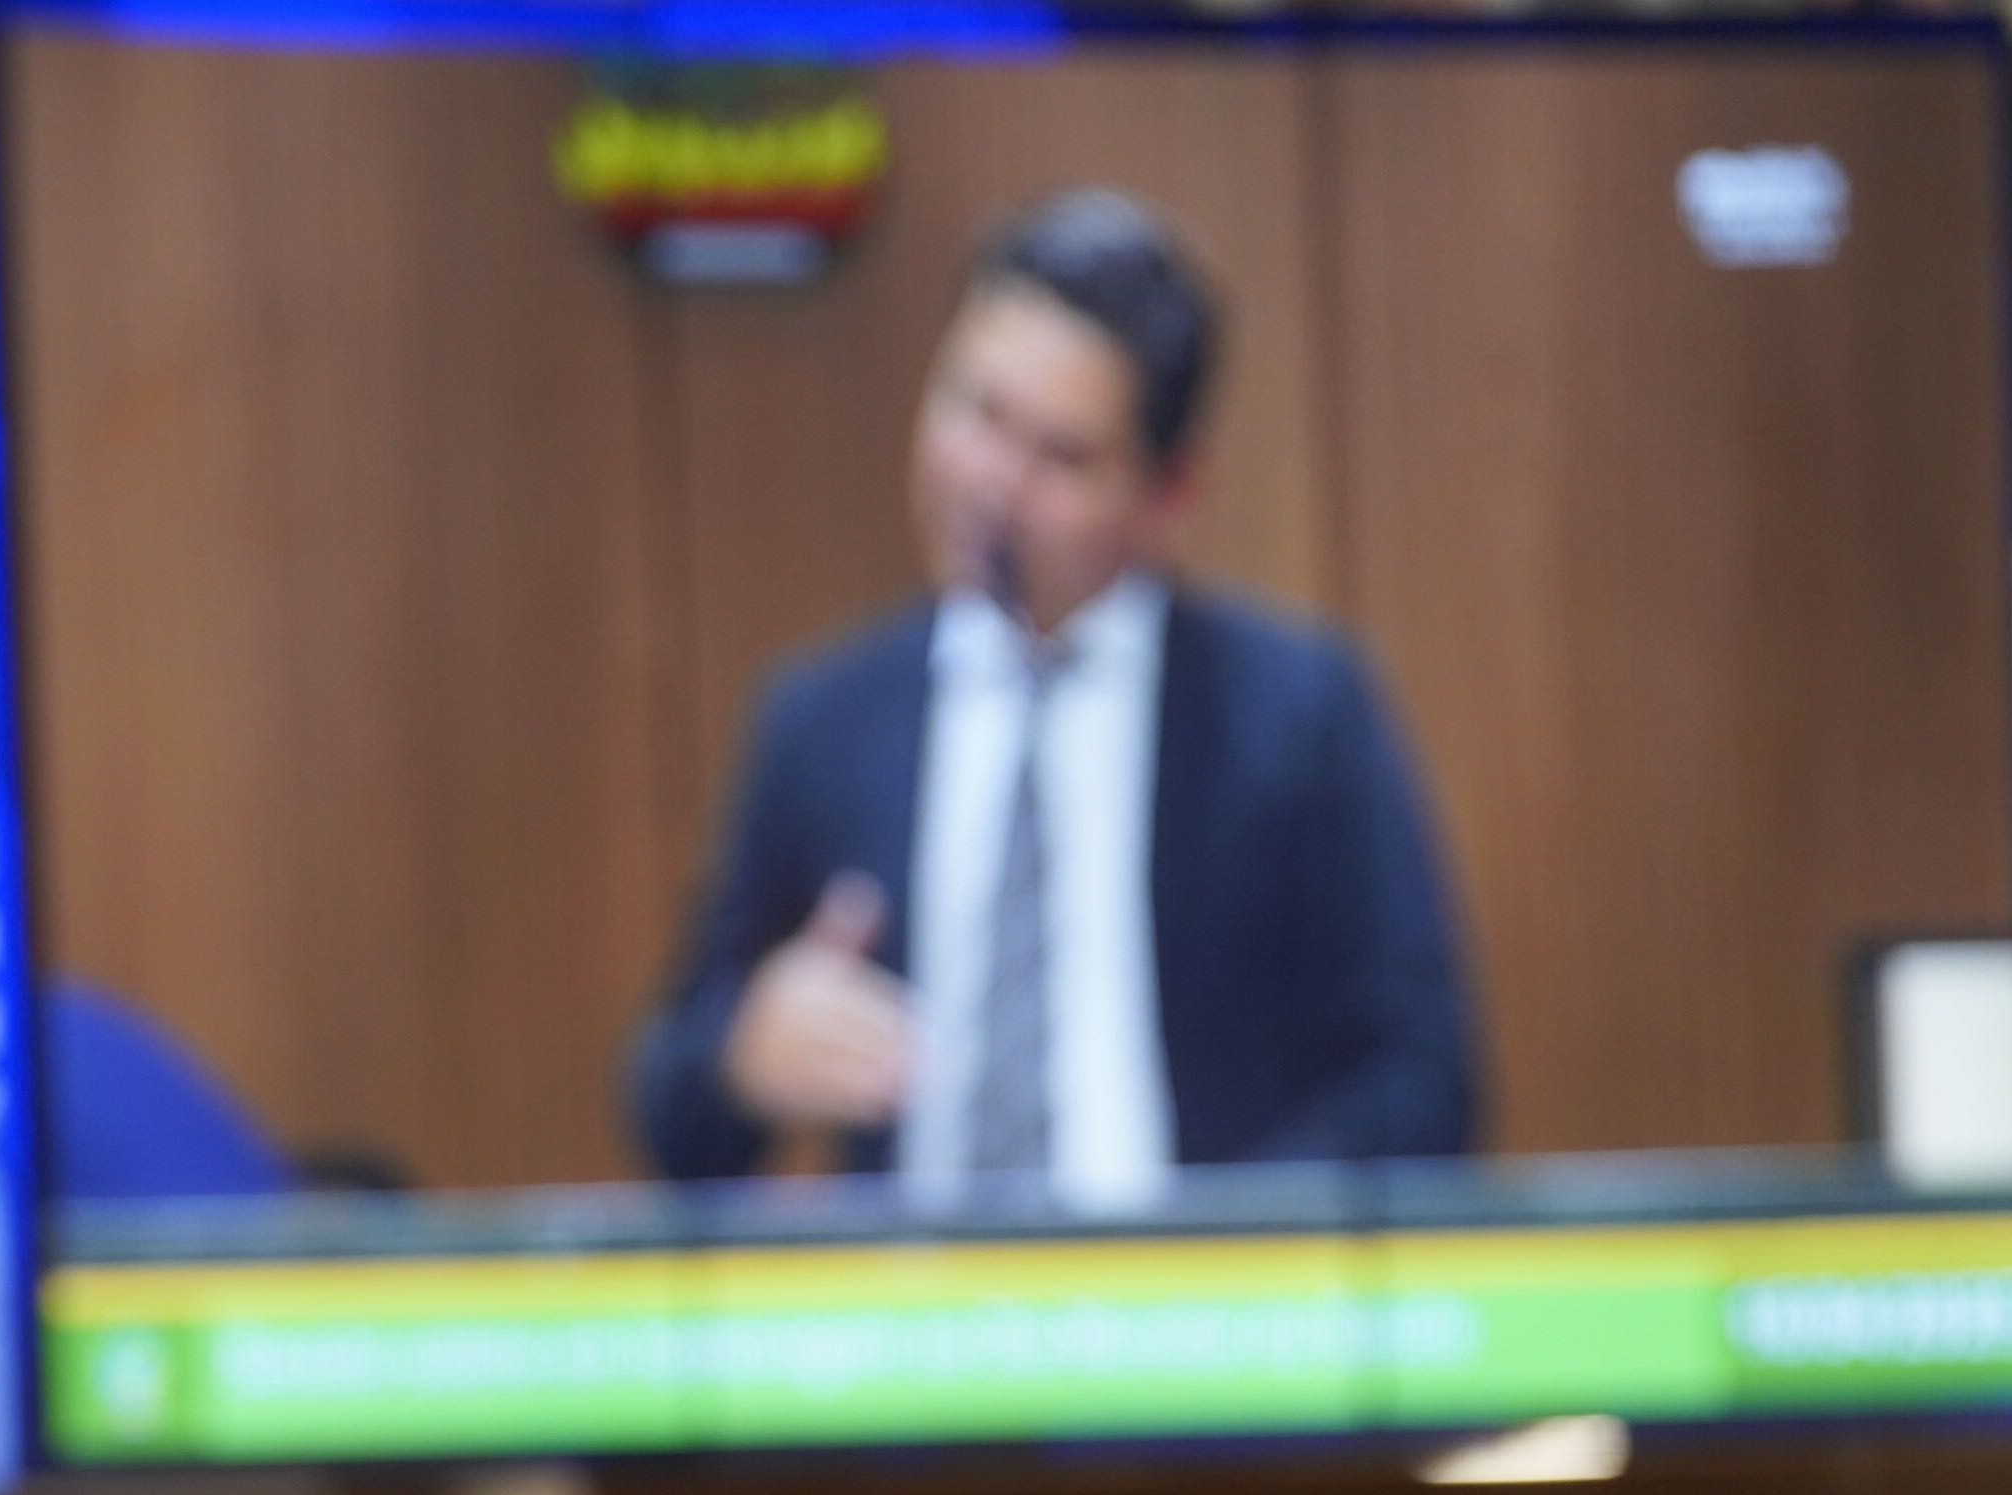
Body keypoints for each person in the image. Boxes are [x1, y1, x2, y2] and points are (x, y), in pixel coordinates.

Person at [627, 188, 1482, 1212]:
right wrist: (743, 1053)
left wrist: (1226, 1250)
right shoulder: (824, 720)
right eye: (975, 410)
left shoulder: (1299, 717)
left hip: (1207, 1296)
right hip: (911, 1296)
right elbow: (670, 1113)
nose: (989, 481)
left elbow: (1424, 1087)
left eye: (1060, 456)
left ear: (1168, 495)